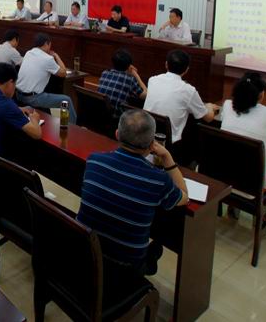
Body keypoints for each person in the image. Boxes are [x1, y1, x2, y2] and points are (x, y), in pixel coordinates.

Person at [77, 109, 188, 275]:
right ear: (152, 145)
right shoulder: (158, 179)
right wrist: (167, 158)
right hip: (125, 267)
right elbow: (184, 197)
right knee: (157, 245)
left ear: (117, 134)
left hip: (86, 249)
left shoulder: (94, 160)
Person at [143, 49, 218, 143]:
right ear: (187, 69)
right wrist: (209, 107)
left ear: (166, 64)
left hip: (144, 135)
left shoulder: (152, 80)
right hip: (169, 144)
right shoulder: (189, 90)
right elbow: (208, 118)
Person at [15, 33, 77, 123]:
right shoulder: (48, 59)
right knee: (66, 100)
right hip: (33, 98)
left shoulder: (28, 53)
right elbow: (63, 73)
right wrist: (56, 56)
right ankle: (72, 127)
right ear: (46, 44)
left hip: (18, 94)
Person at [97, 48, 147, 113]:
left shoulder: (104, 73)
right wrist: (136, 75)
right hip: (117, 117)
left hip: (100, 113)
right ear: (129, 65)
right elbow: (146, 96)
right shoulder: (130, 79)